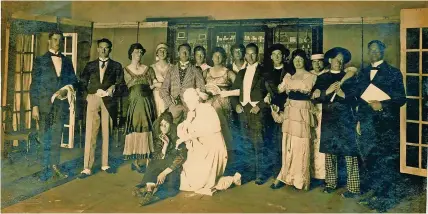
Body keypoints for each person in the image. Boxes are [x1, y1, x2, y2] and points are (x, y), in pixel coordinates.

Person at [356, 40, 406, 212]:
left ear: (383, 51)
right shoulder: (363, 72)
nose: (374, 53)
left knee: (385, 161)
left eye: (377, 50)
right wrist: (359, 121)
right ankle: (375, 194)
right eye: (371, 50)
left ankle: (386, 200)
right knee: (370, 159)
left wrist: (382, 105)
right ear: (368, 52)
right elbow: (359, 99)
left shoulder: (393, 72)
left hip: (386, 124)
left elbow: (401, 99)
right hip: (368, 122)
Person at [312, 47, 360, 198]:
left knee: (350, 153)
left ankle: (353, 188)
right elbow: (315, 98)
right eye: (336, 59)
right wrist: (327, 91)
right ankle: (331, 184)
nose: (338, 62)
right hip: (329, 119)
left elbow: (355, 99)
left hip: (346, 119)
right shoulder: (322, 78)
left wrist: (342, 93)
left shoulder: (349, 77)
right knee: (330, 153)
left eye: (341, 60)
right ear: (329, 60)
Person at [30, 30, 78, 181]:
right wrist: (34, 106)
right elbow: (34, 85)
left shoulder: (67, 61)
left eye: (60, 40)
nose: (57, 43)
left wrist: (66, 90)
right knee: (45, 137)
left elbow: (74, 81)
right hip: (44, 105)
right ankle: (44, 169)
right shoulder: (40, 60)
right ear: (49, 41)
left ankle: (55, 166)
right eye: (55, 39)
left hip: (59, 105)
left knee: (57, 136)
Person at [177, 88, 240, 196]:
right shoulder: (191, 113)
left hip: (213, 147)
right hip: (200, 147)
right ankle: (226, 180)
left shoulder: (207, 108)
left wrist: (190, 135)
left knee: (201, 184)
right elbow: (182, 130)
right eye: (187, 102)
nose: (188, 104)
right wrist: (188, 121)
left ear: (197, 99)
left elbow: (215, 128)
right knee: (186, 184)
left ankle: (231, 179)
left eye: (190, 101)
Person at [270, 49, 317, 191]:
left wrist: (288, 83)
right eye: (295, 59)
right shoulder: (288, 76)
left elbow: (305, 88)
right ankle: (285, 176)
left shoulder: (311, 76)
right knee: (288, 144)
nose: (297, 61)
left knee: (301, 145)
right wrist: (270, 94)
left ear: (305, 61)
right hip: (290, 111)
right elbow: (278, 90)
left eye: (300, 59)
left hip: (302, 111)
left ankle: (300, 180)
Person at [78, 38, 124, 178]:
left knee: (106, 132)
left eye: (106, 48)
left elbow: (121, 84)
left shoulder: (116, 65)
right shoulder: (90, 65)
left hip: (108, 100)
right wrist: (87, 95)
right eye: (101, 48)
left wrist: (114, 87)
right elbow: (82, 82)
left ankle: (105, 164)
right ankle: (87, 167)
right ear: (97, 49)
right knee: (91, 132)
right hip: (93, 99)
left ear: (110, 49)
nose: (103, 50)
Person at [230, 43, 269, 185]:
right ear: (245, 55)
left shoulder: (264, 71)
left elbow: (272, 93)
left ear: (257, 54)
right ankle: (249, 173)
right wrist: (237, 106)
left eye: (253, 54)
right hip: (243, 111)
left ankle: (260, 174)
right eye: (248, 54)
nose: (250, 56)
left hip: (256, 111)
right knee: (246, 143)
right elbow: (234, 93)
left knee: (258, 143)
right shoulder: (241, 73)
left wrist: (260, 106)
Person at [134, 111, 187, 206]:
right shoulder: (159, 134)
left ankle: (150, 193)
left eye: (166, 124)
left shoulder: (178, 132)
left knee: (171, 187)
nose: (164, 127)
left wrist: (163, 173)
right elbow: (157, 156)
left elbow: (181, 156)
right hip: (164, 160)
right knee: (152, 165)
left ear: (171, 124)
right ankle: (149, 191)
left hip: (173, 164)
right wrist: (165, 145)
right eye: (161, 125)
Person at [203, 47, 239, 172]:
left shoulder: (229, 73)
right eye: (215, 55)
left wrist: (225, 93)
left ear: (223, 57)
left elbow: (239, 90)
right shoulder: (206, 72)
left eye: (220, 56)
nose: (217, 58)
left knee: (225, 131)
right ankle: (211, 162)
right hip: (209, 106)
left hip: (224, 105)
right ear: (211, 57)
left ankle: (226, 163)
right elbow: (201, 88)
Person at [122, 43, 156, 173]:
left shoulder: (148, 69)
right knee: (135, 128)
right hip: (133, 104)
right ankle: (135, 161)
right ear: (131, 53)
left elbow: (154, 83)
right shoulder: (125, 70)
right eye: (136, 52)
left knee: (148, 127)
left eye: (141, 52)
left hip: (147, 103)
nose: (139, 54)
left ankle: (147, 161)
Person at [159, 43, 208, 124]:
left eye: (187, 52)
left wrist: (194, 106)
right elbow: (163, 89)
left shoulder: (195, 70)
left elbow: (202, 89)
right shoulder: (171, 70)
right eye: (182, 51)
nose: (184, 54)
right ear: (178, 53)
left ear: (190, 54)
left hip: (189, 110)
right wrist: (170, 105)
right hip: (173, 108)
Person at [263, 44, 290, 177]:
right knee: (271, 140)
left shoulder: (289, 72)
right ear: (271, 57)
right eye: (274, 54)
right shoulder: (267, 73)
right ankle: (274, 170)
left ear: (284, 56)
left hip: (285, 109)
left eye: (280, 54)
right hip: (269, 111)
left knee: (283, 141)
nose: (277, 56)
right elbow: (264, 91)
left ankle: (284, 171)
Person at [309, 52, 327, 182]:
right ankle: (310, 173)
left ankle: (322, 175)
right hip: (309, 111)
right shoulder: (308, 75)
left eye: (320, 61)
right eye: (314, 62)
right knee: (311, 140)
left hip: (323, 111)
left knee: (321, 140)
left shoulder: (328, 74)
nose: (317, 64)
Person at [149, 43, 172, 117]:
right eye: (160, 51)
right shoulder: (151, 68)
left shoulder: (173, 67)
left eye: (164, 51)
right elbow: (149, 86)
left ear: (167, 53)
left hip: (169, 95)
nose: (162, 53)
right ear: (157, 53)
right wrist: (156, 85)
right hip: (155, 96)